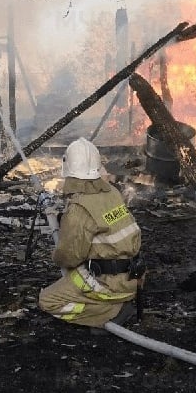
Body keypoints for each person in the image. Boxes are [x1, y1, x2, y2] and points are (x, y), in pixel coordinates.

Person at [38, 137, 144, 329]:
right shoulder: (111, 192)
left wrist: (57, 251)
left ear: (68, 170)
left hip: (109, 285)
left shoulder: (80, 208)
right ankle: (113, 303)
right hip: (135, 277)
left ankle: (109, 311)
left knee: (48, 300)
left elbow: (68, 258)